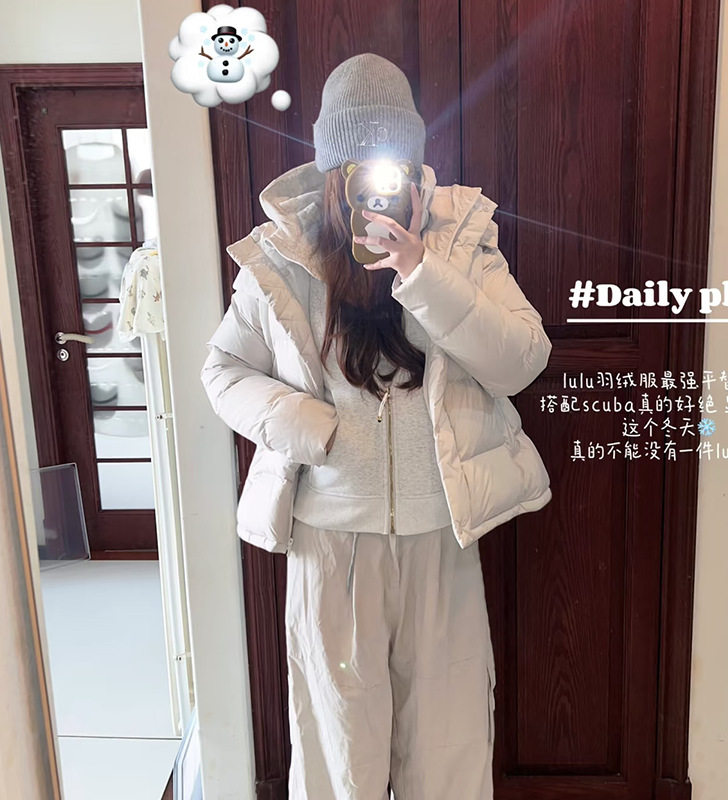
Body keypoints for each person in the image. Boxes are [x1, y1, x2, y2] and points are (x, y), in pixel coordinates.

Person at [200, 52, 552, 800]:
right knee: (337, 757)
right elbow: (223, 371)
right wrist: (309, 427)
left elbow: (521, 361)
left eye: (391, 166)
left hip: (440, 538)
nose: (375, 190)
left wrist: (421, 270)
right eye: (356, 170)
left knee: (450, 756)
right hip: (329, 545)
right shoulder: (283, 253)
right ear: (332, 171)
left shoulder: (461, 239)